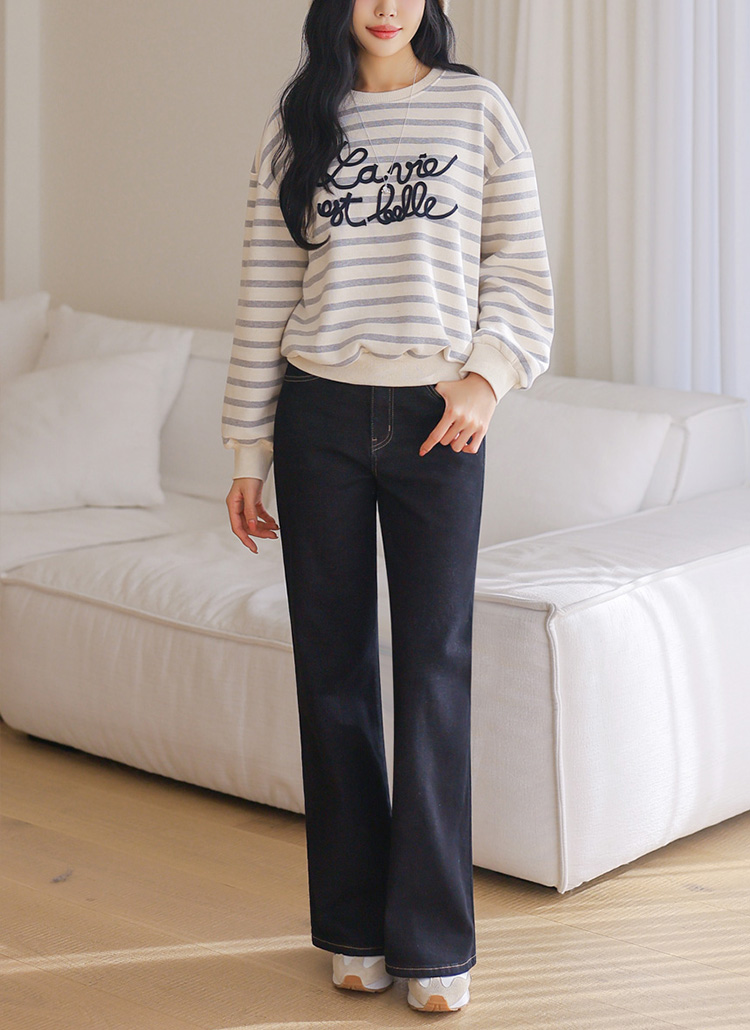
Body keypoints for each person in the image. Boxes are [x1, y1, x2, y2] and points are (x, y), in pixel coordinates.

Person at [221, 0, 553, 1013]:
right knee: (331, 673)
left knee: (434, 672)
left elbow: (521, 267)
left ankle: (435, 942)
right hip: (316, 416)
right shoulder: (300, 121)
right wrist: (245, 447)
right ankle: (355, 928)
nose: (384, 5)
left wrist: (486, 379)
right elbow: (265, 291)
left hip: (438, 421)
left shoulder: (476, 110)